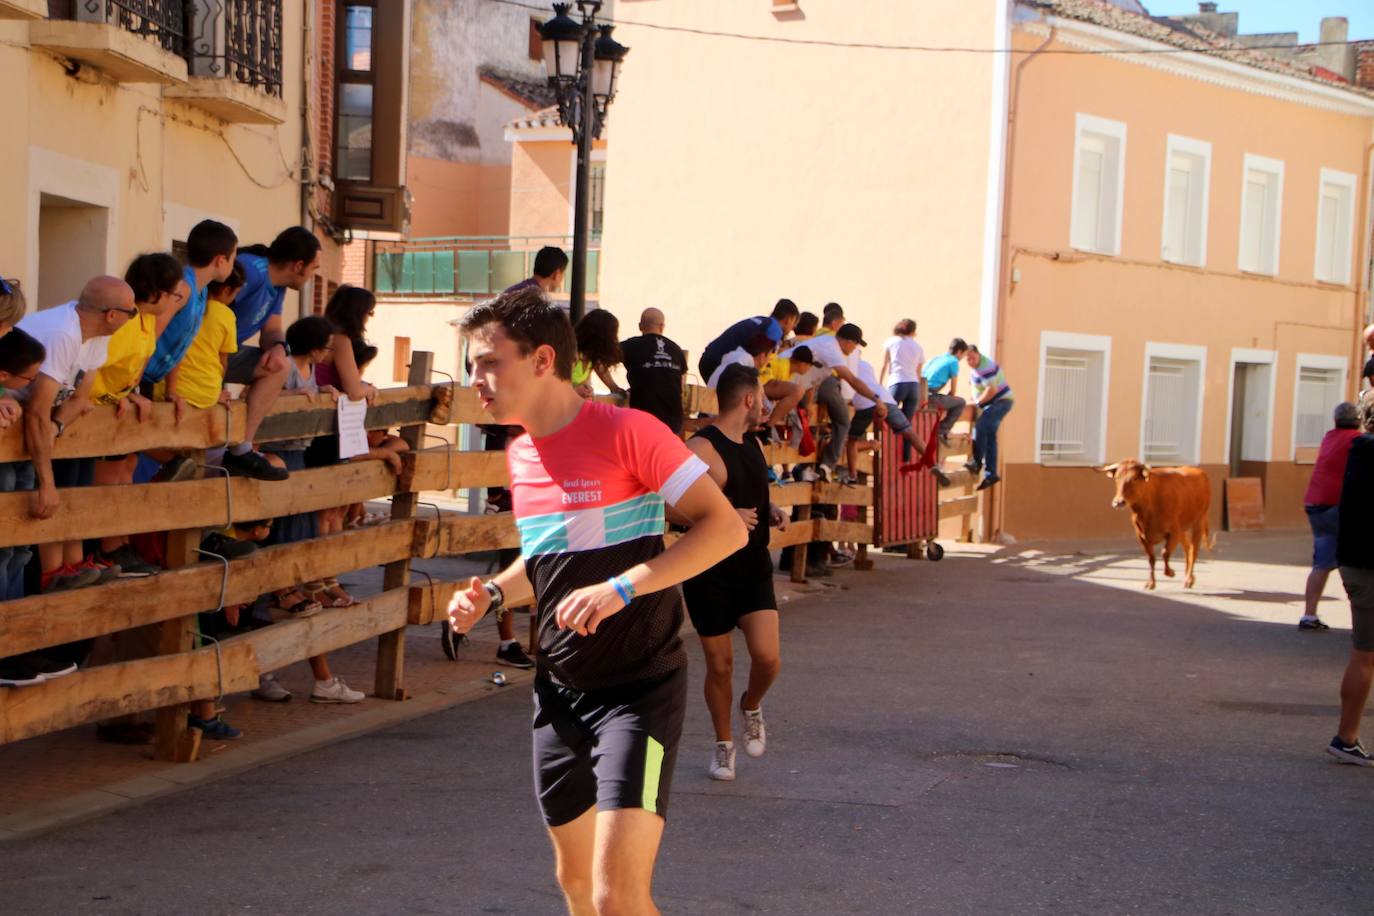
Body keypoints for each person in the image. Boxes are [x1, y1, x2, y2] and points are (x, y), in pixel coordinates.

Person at [446, 285, 746, 915]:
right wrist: (493, 594)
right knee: (578, 886)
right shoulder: (521, 454)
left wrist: (622, 587)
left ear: (543, 360)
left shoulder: (628, 431)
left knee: (617, 898)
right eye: (472, 365)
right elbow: (548, 559)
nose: (475, 380)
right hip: (559, 694)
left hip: (641, 691)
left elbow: (725, 528)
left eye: (489, 363)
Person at [678, 364, 787, 782]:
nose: (765, 406)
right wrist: (725, 515)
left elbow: (750, 490)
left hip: (753, 567)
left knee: (768, 658)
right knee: (719, 665)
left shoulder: (752, 443)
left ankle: (751, 705)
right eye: (762, 397)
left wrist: (770, 507)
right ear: (748, 399)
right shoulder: (700, 448)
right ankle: (723, 746)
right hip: (709, 571)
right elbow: (669, 505)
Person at [253, 315, 368, 706]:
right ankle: (272, 671)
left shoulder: (305, 369)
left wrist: (324, 393)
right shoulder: (285, 368)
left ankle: (286, 672)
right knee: (281, 569)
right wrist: (294, 400)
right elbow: (261, 397)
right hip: (282, 459)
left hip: (298, 461)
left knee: (295, 569)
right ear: (317, 348)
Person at [17, 276, 136, 592]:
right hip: (15, 419)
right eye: (132, 312)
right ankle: (46, 578)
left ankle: (70, 566)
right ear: (112, 315)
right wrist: (47, 483)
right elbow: (37, 411)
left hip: (36, 424)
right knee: (16, 535)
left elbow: (81, 398)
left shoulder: (96, 334)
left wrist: (55, 427)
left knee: (23, 541)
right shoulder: (63, 333)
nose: (132, 319)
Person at [88, 253, 187, 578]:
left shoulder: (144, 321)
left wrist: (130, 393)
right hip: (97, 410)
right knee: (108, 479)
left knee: (127, 470)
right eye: (173, 294)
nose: (176, 300)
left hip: (117, 406)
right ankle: (107, 549)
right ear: (156, 292)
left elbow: (130, 369)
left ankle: (120, 543)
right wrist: (113, 397)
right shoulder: (125, 324)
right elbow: (92, 367)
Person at [219, 226, 321, 480]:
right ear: (298, 266)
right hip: (201, 355)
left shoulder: (278, 286)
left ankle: (241, 448)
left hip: (225, 354)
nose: (312, 276)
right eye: (313, 269)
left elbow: (272, 331)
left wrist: (278, 347)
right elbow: (210, 308)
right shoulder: (252, 271)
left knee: (280, 365)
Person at [1327, 390, 1374, 766]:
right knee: (1364, 656)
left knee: (1363, 654)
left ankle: (1346, 737)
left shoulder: (1358, 452)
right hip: (1368, 567)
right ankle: (1345, 738)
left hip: (1355, 564)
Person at [1301, 402, 1361, 631]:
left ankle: (1309, 615)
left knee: (1322, 563)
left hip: (1315, 503)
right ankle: (1362, 619)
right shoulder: (1356, 441)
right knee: (1357, 562)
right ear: (1358, 421)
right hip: (1336, 505)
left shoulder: (1329, 438)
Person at [849, 358, 950, 487]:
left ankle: (852, 476)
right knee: (910, 433)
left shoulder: (844, 364)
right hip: (885, 398)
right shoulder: (866, 364)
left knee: (852, 440)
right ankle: (933, 464)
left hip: (864, 402)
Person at [619, 308, 688, 435]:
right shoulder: (676, 349)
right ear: (662, 327)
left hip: (643, 420)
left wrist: (613, 387)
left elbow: (601, 359)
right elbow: (681, 383)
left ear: (640, 326)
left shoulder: (630, 346)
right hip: (673, 421)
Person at [698, 299, 800, 384]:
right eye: (794, 322)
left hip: (708, 358)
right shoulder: (775, 330)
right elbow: (764, 361)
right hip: (722, 364)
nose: (794, 327)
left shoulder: (762, 320)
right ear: (788, 319)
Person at [964, 344, 1013, 492]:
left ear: (978, 354)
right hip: (996, 403)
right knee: (990, 436)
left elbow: (991, 390)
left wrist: (977, 403)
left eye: (973, 358)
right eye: (968, 359)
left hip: (1000, 402)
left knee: (980, 427)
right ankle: (991, 473)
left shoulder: (985, 367)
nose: (971, 361)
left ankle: (977, 462)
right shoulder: (976, 368)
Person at [572, 308, 626, 400]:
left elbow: (603, 371)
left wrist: (616, 389)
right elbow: (557, 384)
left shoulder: (592, 357)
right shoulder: (572, 354)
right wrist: (576, 390)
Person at [924, 338, 969, 446]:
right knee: (960, 402)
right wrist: (950, 399)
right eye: (963, 355)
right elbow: (953, 390)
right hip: (931, 396)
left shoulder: (937, 358)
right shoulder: (953, 361)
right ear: (959, 352)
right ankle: (942, 431)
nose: (962, 358)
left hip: (920, 393)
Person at [880, 319, 925, 422]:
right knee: (906, 424)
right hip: (913, 385)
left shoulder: (891, 341)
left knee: (886, 415)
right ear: (913, 331)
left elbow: (884, 365)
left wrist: (879, 384)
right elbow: (918, 372)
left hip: (897, 382)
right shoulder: (918, 347)